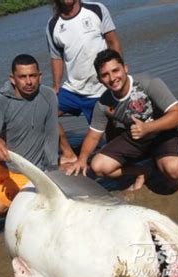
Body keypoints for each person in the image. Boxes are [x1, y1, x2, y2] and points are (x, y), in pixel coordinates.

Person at [0, 54, 59, 252]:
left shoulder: (48, 96)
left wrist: (52, 169)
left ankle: (15, 213)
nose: (29, 81)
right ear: (12, 78)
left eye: (33, 76)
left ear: (40, 76)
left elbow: (51, 133)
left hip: (23, 169)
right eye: (22, 77)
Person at [66, 49, 178, 191]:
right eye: (105, 75)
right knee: (98, 166)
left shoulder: (149, 83)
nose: (112, 78)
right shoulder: (103, 103)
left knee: (176, 171)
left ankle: (160, 160)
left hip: (164, 134)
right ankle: (142, 171)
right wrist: (81, 160)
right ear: (100, 80)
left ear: (125, 68)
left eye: (115, 70)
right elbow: (93, 136)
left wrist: (148, 128)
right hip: (136, 138)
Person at [46, 0, 122, 164]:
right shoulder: (53, 24)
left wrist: (118, 73)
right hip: (72, 89)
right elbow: (56, 57)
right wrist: (56, 85)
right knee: (45, 113)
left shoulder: (96, 9)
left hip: (100, 89)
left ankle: (117, 158)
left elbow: (112, 41)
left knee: (110, 131)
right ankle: (68, 153)